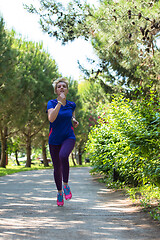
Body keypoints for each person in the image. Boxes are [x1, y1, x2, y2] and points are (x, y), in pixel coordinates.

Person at [47, 77, 79, 206]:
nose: (61, 88)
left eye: (64, 86)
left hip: (68, 136)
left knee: (63, 155)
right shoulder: (51, 103)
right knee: (56, 168)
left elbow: (70, 114)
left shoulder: (72, 104)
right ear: (56, 90)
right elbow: (52, 119)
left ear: (67, 90)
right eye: (59, 86)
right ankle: (60, 192)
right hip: (54, 139)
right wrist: (59, 103)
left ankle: (65, 185)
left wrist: (74, 120)